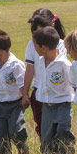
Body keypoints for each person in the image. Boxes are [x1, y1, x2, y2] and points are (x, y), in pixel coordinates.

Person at [31, 27, 76, 154]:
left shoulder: (64, 64)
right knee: (47, 138)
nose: (34, 48)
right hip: (46, 106)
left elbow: (74, 85)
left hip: (62, 105)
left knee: (63, 133)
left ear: (43, 47)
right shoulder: (40, 60)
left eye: (35, 45)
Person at [21, 8, 67, 143]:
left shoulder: (61, 44)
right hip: (40, 93)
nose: (37, 40)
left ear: (52, 25)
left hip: (58, 94)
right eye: (34, 34)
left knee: (60, 129)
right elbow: (30, 69)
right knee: (43, 129)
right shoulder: (32, 45)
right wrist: (25, 93)